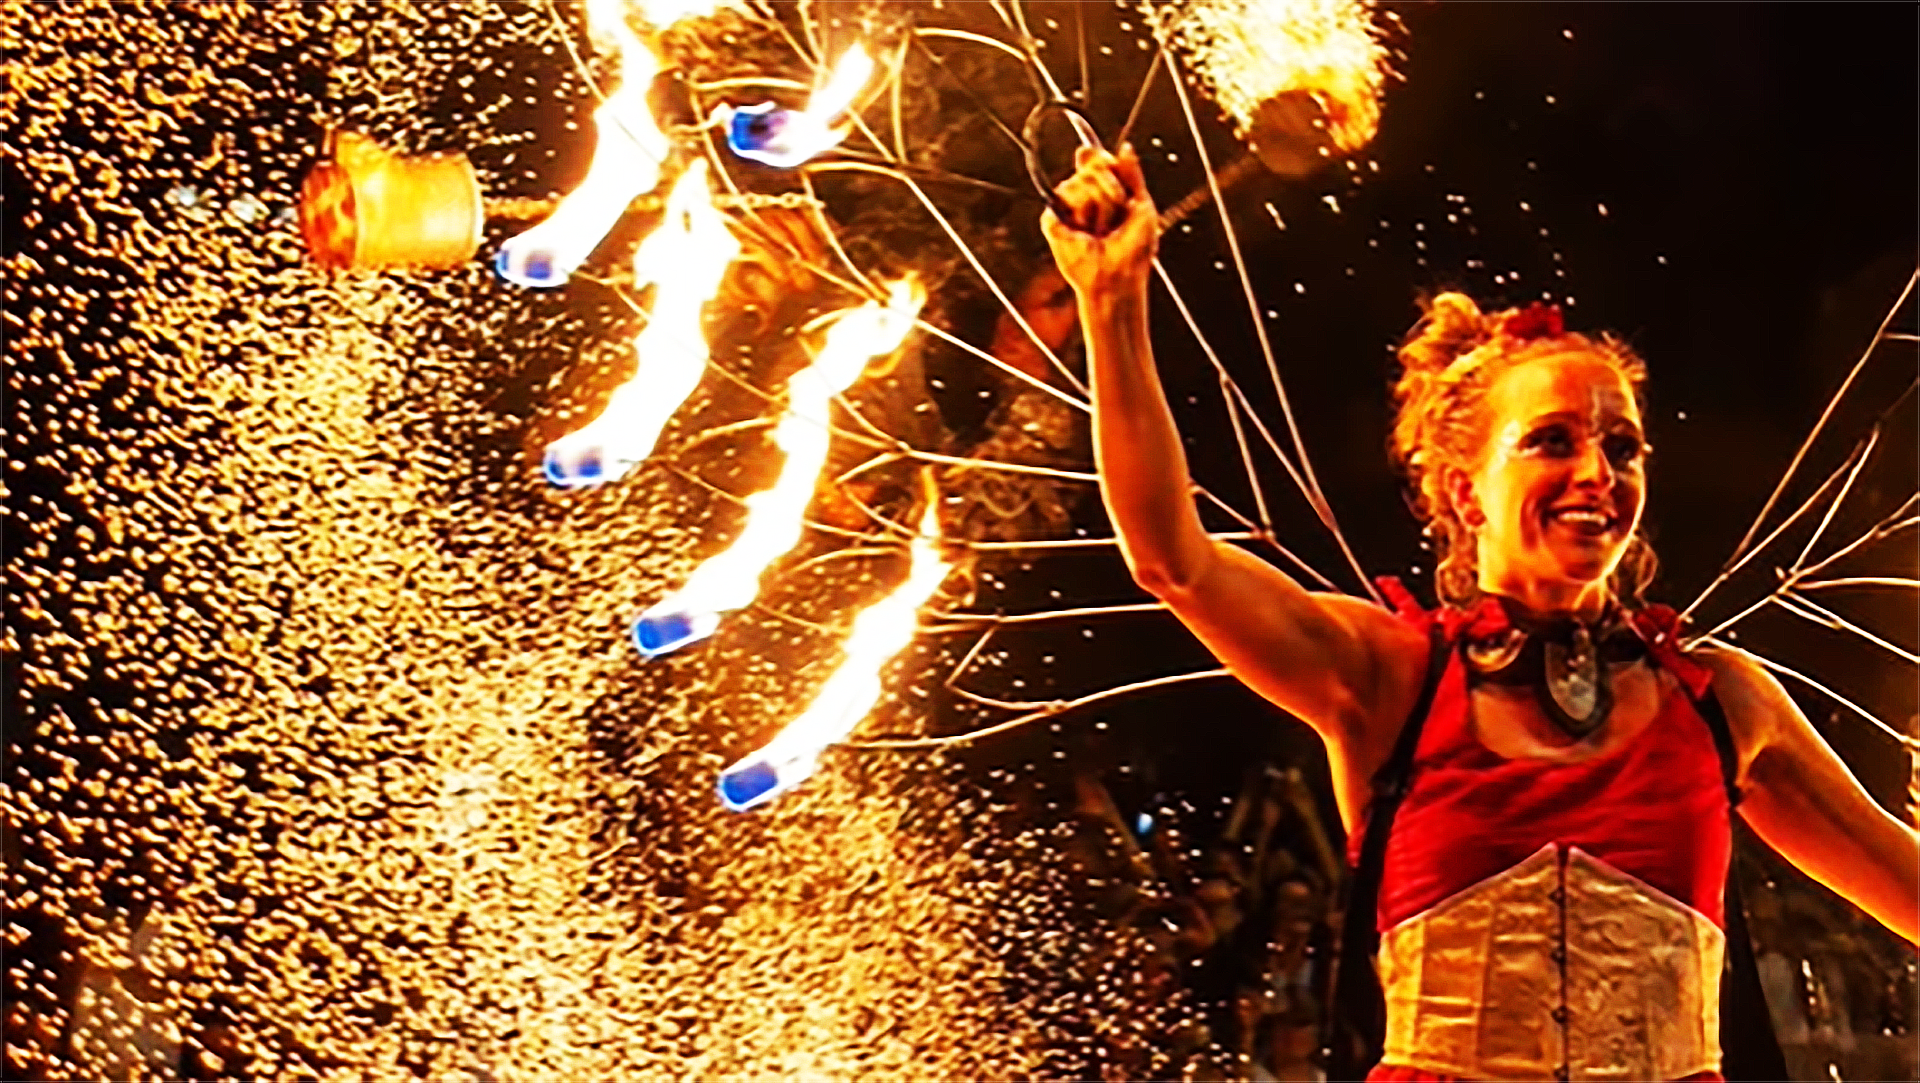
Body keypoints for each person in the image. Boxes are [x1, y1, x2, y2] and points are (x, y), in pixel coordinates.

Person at [1039, 143, 1920, 1080]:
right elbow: (1171, 559)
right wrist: (1114, 302)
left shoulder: (1724, 703)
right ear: (1466, 492)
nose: (1597, 473)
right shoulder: (1386, 676)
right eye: (1552, 441)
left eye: (1622, 447)